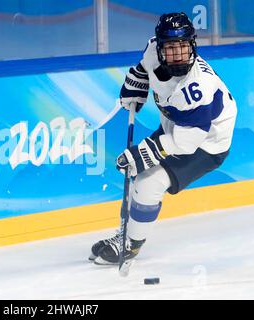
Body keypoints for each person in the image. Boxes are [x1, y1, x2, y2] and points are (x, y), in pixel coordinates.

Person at [89, 12, 237, 265]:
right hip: (178, 127)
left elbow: (187, 141)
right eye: (170, 48)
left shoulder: (197, 88)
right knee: (137, 175)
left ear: (193, 46)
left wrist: (143, 154)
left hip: (206, 142)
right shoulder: (151, 50)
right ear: (159, 48)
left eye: (183, 47)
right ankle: (125, 233)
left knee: (149, 182)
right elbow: (144, 68)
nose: (177, 55)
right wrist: (137, 83)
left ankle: (131, 246)